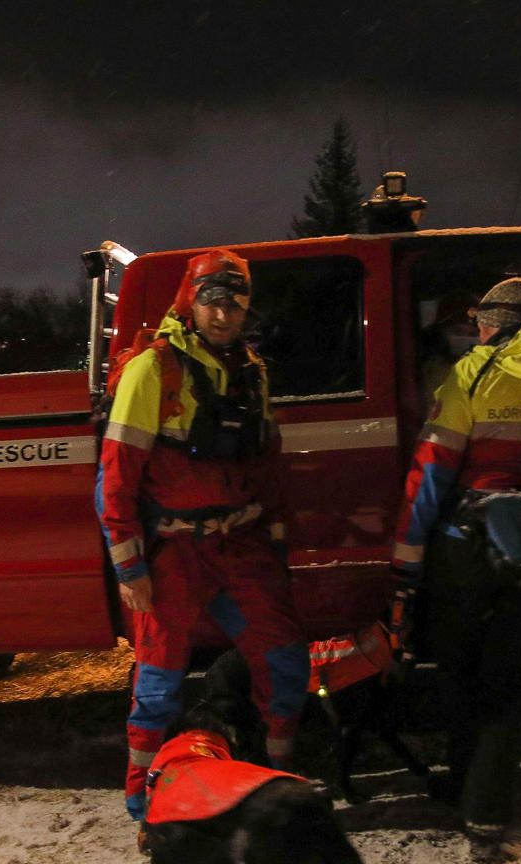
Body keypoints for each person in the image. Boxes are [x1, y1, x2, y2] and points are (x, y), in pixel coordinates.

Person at [390, 276, 521, 858]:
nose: (476, 329)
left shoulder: (472, 374)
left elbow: (431, 472)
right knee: (510, 682)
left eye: (483, 320)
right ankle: (488, 810)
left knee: (460, 671)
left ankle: (462, 787)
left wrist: (406, 561)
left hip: (468, 548)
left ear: (500, 324)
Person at [97, 249, 310, 821]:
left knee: (287, 662)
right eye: (212, 300)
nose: (223, 314)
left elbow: (267, 466)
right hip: (174, 552)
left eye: (234, 302)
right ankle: (143, 806)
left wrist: (277, 540)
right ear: (192, 301)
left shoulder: (251, 372)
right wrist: (129, 567)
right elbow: (117, 473)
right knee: (159, 682)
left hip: (240, 545)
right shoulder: (154, 369)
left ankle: (280, 781)